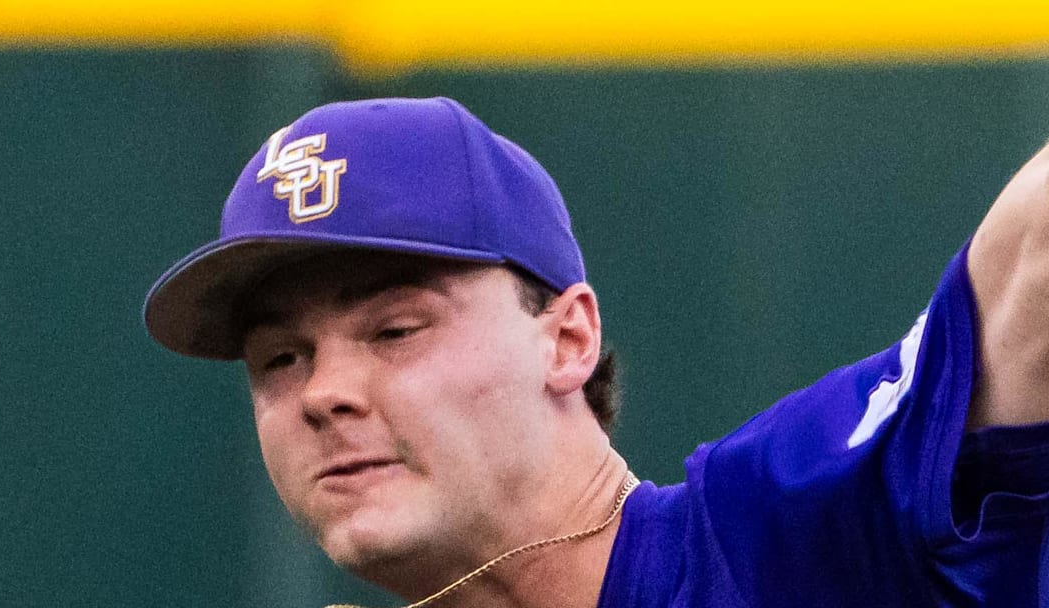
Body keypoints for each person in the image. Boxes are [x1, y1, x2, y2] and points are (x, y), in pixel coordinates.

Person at [144, 97, 1049, 607]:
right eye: (280, 360)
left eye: (394, 329)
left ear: (568, 337)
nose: (323, 393)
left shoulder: (784, 538)